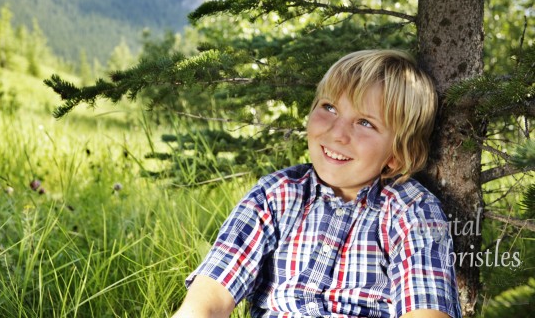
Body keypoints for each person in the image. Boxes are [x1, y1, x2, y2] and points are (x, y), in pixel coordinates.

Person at [173, 50, 461, 318]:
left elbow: (427, 308)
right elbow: (210, 293)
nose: (337, 133)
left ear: (397, 156)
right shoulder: (276, 194)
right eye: (330, 107)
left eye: (365, 123)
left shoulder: (411, 211)